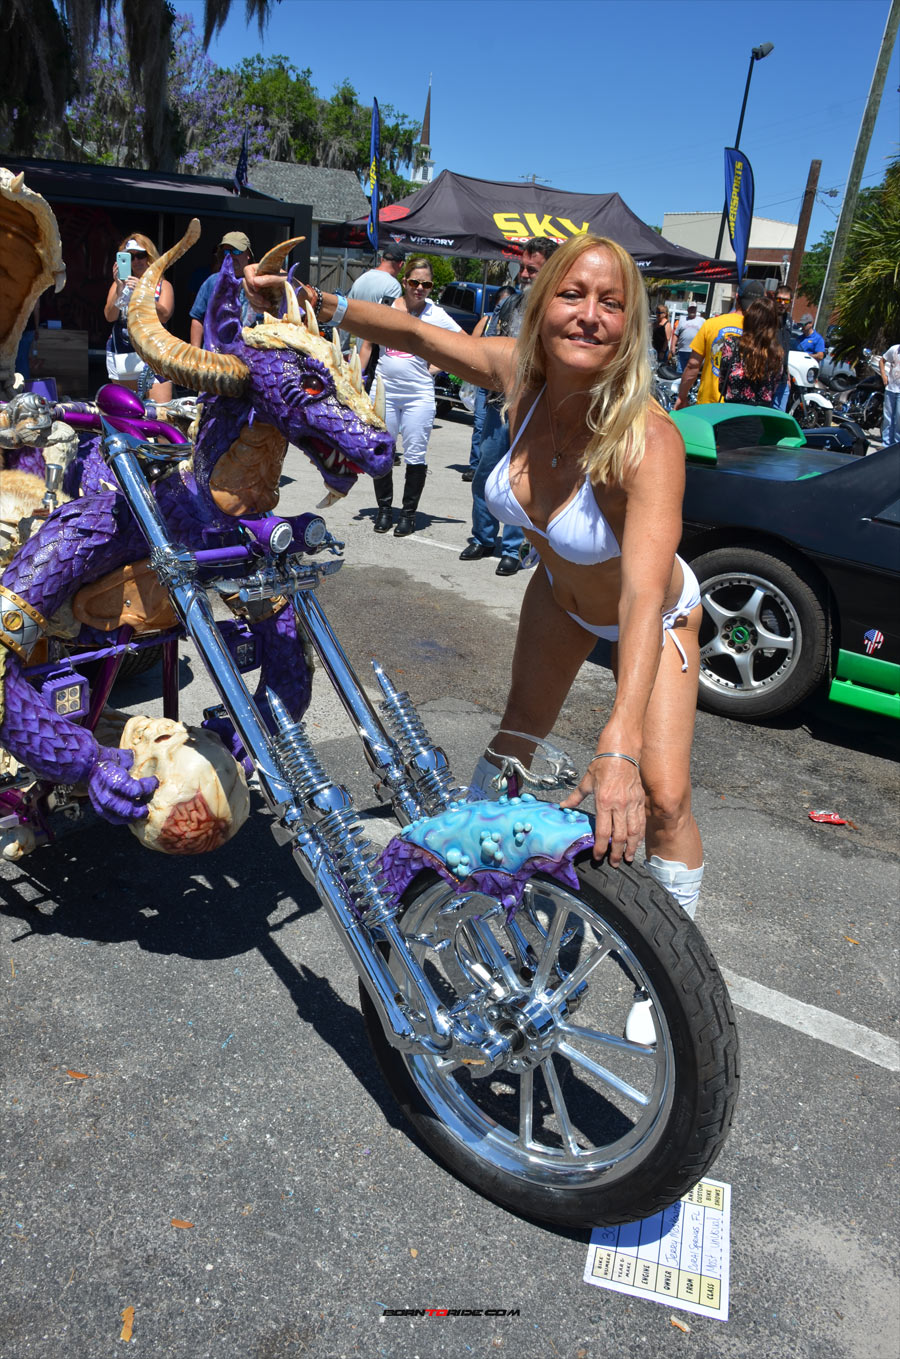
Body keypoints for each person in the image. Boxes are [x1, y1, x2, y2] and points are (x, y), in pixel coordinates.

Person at [245, 233, 706, 923]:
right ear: (542, 301)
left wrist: (618, 744)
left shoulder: (648, 438)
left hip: (656, 617)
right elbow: (414, 333)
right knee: (510, 747)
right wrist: (309, 300)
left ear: (630, 326)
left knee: (664, 793)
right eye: (572, 294)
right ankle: (477, 884)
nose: (589, 314)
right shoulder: (521, 380)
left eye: (611, 303)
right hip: (561, 595)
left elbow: (643, 594)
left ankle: (675, 964)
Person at [460, 238, 558, 576]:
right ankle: (483, 537)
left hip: (535, 410)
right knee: (485, 473)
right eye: (523, 267)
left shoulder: (556, 311)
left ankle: (513, 548)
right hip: (496, 403)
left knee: (520, 479)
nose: (524, 274)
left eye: (533, 269)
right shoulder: (509, 304)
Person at [363, 257, 462, 537]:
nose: (420, 288)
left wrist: (436, 367)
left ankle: (407, 514)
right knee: (382, 451)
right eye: (415, 282)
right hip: (384, 391)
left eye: (426, 284)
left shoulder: (435, 314)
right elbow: (368, 344)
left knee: (415, 455)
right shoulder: (387, 308)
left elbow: (462, 343)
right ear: (404, 281)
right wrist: (355, 379)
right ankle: (384, 510)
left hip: (418, 394)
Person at [103, 233, 174, 402]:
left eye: (140, 255)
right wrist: (121, 289)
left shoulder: (163, 285)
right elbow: (109, 316)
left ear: (150, 257)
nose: (136, 261)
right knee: (126, 414)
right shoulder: (118, 285)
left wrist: (141, 293)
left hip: (154, 357)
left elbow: (165, 315)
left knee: (160, 414)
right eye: (130, 257)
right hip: (123, 354)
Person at [674, 278, 764, 408]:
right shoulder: (761, 332)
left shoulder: (712, 324)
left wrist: (682, 397)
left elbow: (693, 365)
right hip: (743, 408)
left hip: (709, 405)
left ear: (736, 297)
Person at [463, 284, 516, 482]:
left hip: (503, 384)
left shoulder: (516, 323)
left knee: (498, 428)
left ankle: (494, 466)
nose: (502, 309)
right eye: (500, 305)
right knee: (479, 423)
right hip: (484, 381)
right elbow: (471, 345)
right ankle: (475, 464)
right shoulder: (487, 322)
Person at [190, 231, 256, 346]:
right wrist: (195, 352)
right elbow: (197, 318)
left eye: (237, 251)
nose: (231, 256)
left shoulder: (259, 284)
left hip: (247, 358)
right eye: (227, 251)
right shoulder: (212, 282)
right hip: (214, 358)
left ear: (248, 255)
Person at [715, 296, 783, 406]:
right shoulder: (777, 353)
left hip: (733, 412)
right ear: (773, 324)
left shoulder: (732, 344)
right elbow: (775, 386)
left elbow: (722, 382)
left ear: (749, 318)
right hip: (761, 414)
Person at [772, 285, 794, 411]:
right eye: (779, 300)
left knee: (780, 416)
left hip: (783, 378)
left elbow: (786, 349)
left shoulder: (789, 320)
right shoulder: (768, 318)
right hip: (770, 377)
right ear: (774, 299)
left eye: (786, 301)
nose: (782, 304)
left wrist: (788, 373)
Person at [670, 302, 703, 373]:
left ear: (696, 309)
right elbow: (676, 334)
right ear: (688, 309)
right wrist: (673, 346)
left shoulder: (702, 321)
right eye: (691, 308)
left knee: (691, 371)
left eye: (694, 309)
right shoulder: (682, 320)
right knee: (680, 370)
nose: (692, 310)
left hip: (695, 351)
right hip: (682, 350)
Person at [880, 342, 900, 447]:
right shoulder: (895, 349)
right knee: (888, 419)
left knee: (898, 420)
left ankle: (896, 446)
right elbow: (882, 360)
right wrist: (884, 376)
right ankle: (886, 445)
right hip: (891, 389)